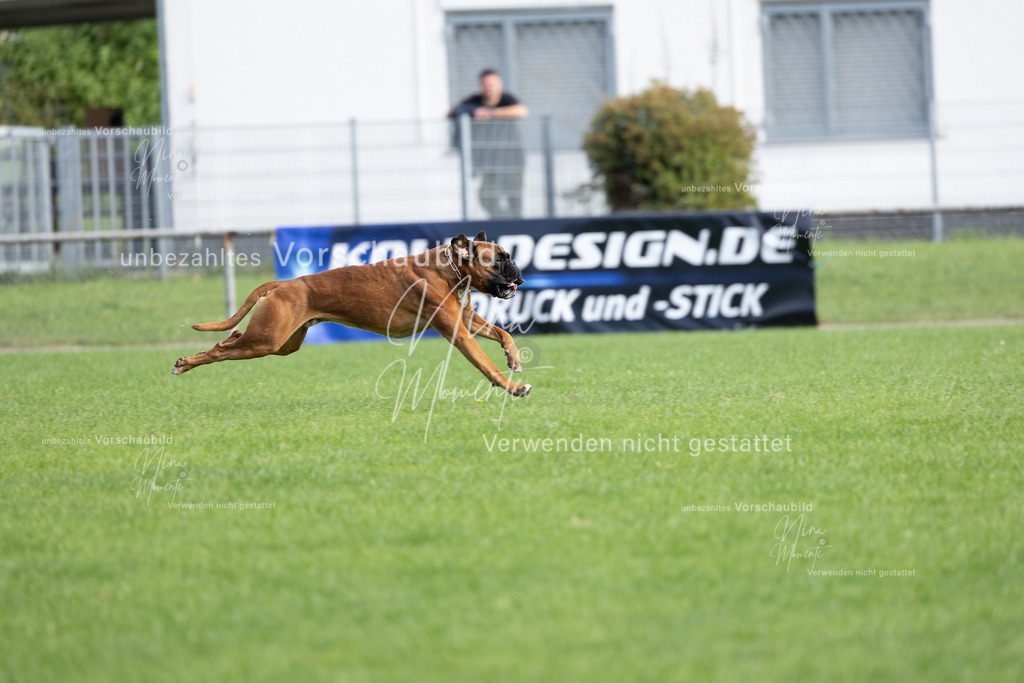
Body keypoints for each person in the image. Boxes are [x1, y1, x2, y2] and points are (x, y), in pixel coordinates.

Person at [448, 69, 529, 219]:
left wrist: (491, 113)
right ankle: (502, 222)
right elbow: (451, 112)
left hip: (512, 159)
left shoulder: (507, 99)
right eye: (485, 84)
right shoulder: (475, 101)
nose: (489, 87)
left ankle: (515, 224)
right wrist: (475, 111)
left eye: (492, 83)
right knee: (487, 197)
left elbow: (522, 111)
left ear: (500, 84)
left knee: (514, 198)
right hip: (490, 163)